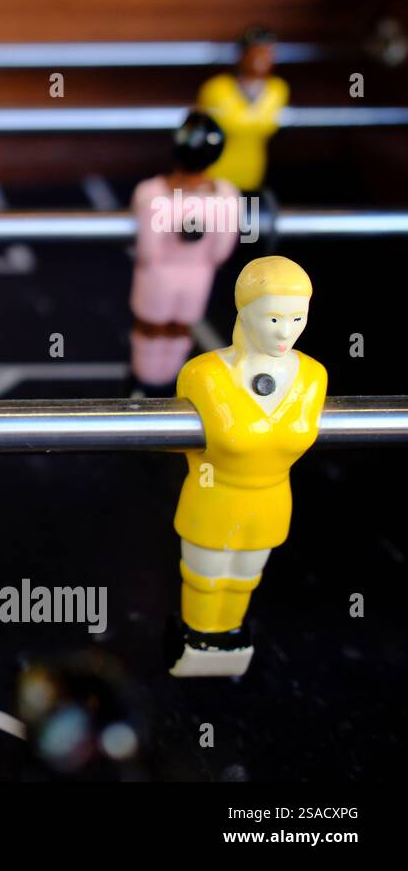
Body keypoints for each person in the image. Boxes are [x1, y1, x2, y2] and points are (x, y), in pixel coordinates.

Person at [169, 256, 326, 677]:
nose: (286, 331)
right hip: (213, 494)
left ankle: (227, 636)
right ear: (244, 311)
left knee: (245, 576)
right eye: (273, 317)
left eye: (297, 317)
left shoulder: (314, 377)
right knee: (205, 576)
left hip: (272, 499)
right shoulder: (203, 376)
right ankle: (198, 638)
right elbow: (178, 444)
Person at [129, 111, 240, 392]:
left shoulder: (152, 193)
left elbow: (147, 249)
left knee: (150, 326)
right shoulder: (227, 195)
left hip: (158, 274)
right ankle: (170, 383)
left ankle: (144, 381)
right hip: (198, 274)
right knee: (181, 327)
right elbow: (222, 250)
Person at [197, 26, 288, 192]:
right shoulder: (216, 88)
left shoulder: (278, 88)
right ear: (241, 55)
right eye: (256, 52)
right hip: (216, 175)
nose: (262, 58)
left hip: (253, 174)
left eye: (267, 53)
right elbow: (236, 124)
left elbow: (264, 126)